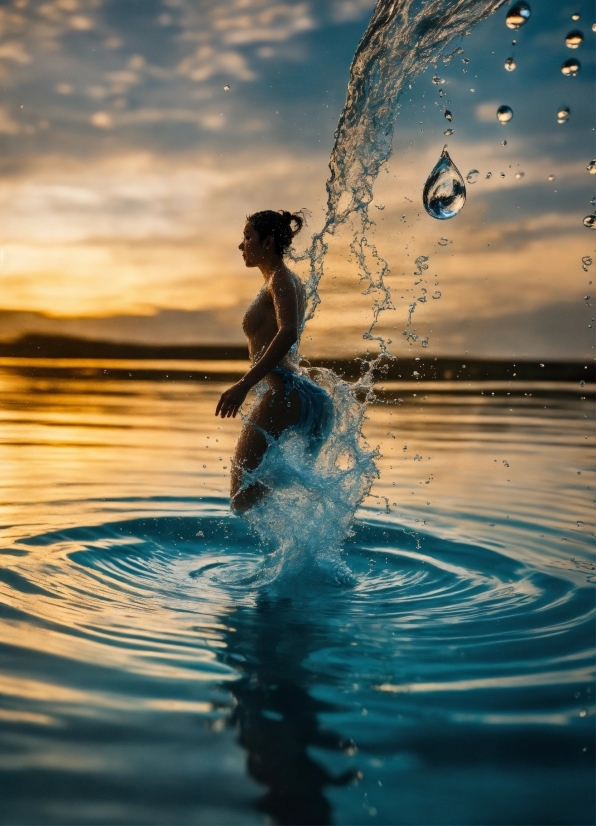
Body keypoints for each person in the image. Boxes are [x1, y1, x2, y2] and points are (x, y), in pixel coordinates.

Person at [215, 210, 333, 513]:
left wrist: (243, 385)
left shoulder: (280, 279)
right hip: (306, 397)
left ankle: (288, 480)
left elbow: (289, 332)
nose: (242, 246)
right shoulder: (284, 281)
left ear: (267, 242)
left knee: (240, 499)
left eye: (248, 237)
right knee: (250, 493)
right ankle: (290, 482)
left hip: (285, 394)